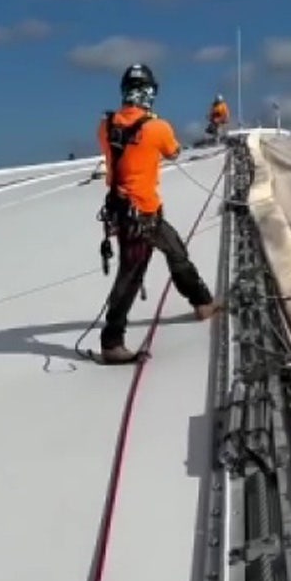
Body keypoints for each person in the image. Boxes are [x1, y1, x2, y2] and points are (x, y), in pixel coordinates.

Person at [95, 64, 222, 364]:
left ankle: (202, 302)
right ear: (150, 93)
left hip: (127, 211)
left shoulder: (106, 125)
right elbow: (174, 151)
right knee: (130, 276)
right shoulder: (157, 128)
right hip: (142, 212)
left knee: (176, 252)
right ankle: (112, 342)